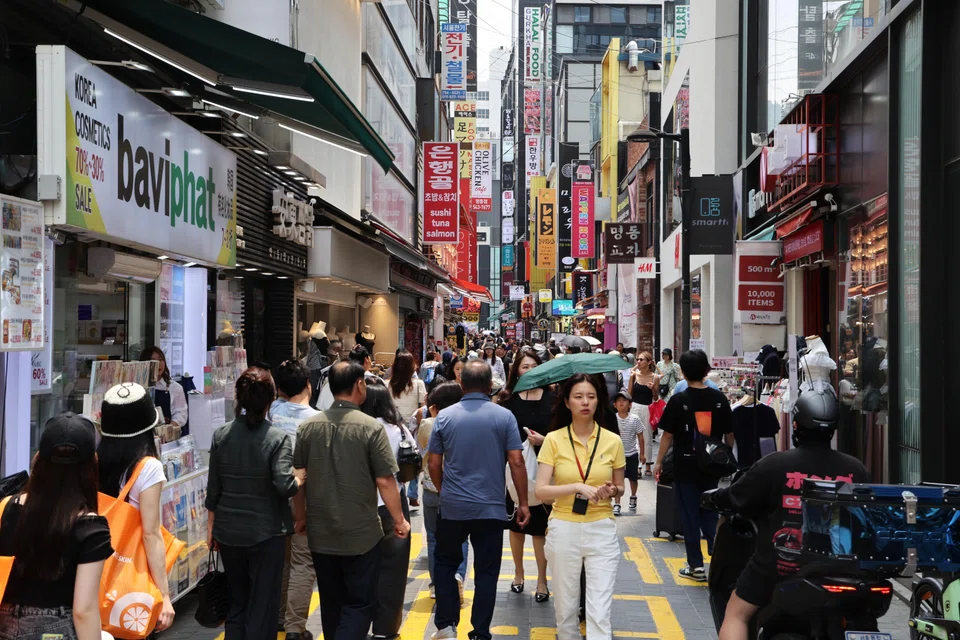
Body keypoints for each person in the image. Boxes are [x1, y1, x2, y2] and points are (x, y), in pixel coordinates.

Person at [712, 390, 870, 640]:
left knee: (736, 614)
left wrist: (711, 497)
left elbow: (735, 496)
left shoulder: (775, 465)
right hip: (846, 568)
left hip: (781, 565)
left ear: (795, 425)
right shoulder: (856, 469)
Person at [294, 361, 410, 640]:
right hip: (361, 534)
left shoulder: (308, 427)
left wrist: (300, 517)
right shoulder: (370, 428)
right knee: (360, 603)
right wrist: (399, 520)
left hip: (321, 532)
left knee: (332, 603)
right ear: (359, 385)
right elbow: (385, 480)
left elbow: (299, 479)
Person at [428, 361, 530, 640]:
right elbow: (517, 461)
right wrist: (522, 502)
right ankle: (480, 631)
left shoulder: (445, 417)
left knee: (446, 564)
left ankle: (447, 625)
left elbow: (434, 463)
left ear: (461, 386)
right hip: (491, 508)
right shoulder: (504, 417)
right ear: (489, 387)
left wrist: (442, 490)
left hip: (452, 507)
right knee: (486, 572)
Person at [205, 368, 300, 639]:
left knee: (237, 602)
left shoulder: (221, 435)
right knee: (262, 606)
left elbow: (214, 490)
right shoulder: (277, 438)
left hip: (229, 532)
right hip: (266, 534)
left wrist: (211, 529)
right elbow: (284, 485)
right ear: (271, 399)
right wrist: (299, 479)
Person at [0, 413, 112, 640]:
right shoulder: (91, 528)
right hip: (56, 630)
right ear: (93, 464)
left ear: (38, 460)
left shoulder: (6, 507)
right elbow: (84, 611)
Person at [535, 374, 626, 640]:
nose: (585, 402)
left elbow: (620, 488)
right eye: (578, 396)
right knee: (565, 610)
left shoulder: (612, 441)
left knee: (600, 612)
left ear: (599, 401)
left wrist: (612, 491)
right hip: (564, 528)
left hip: (602, 529)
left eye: (591, 396)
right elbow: (541, 491)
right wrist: (575, 487)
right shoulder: (553, 440)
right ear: (566, 402)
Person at [98, 382, 176, 632]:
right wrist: (164, 595)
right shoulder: (148, 467)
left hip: (92, 569)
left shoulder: (95, 460)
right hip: (130, 576)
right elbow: (150, 533)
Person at [653, 350, 735, 582]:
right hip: (712, 465)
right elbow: (730, 434)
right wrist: (726, 456)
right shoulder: (720, 399)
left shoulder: (679, 400)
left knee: (690, 514)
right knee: (709, 511)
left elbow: (667, 435)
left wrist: (658, 462)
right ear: (707, 371)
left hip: (685, 465)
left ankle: (696, 566)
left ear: (682, 373)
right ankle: (720, 561)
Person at [498, 349, 555, 601]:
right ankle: (518, 573)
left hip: (544, 470)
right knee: (516, 525)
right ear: (516, 370)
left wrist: (544, 440)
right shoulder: (507, 399)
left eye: (533, 366)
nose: (529, 371)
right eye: (524, 367)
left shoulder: (554, 399)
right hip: (514, 472)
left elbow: (561, 434)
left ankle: (542, 580)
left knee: (541, 529)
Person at [360, 382, 416, 639]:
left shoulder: (357, 428)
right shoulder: (399, 429)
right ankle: (385, 629)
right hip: (393, 505)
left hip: (359, 506)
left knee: (360, 568)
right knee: (392, 571)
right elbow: (413, 464)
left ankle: (357, 622)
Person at [270, 360, 320, 640]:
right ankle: (294, 627)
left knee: (282, 560)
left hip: (273, 496)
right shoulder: (315, 419)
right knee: (302, 563)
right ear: (309, 386)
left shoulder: (270, 413)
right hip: (304, 497)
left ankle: (278, 617)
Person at [418, 382, 470, 601]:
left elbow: (422, 450)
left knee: (433, 539)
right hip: (457, 490)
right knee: (461, 539)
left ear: (435, 406)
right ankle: (457, 576)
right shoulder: (465, 424)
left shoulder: (427, 424)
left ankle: (436, 584)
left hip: (431, 490)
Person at [387, 351, 427, 506]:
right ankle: (412, 493)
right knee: (413, 459)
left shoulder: (387, 385)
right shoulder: (418, 385)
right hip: (412, 429)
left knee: (395, 460)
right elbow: (421, 409)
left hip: (393, 427)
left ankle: (398, 490)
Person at [628, 351, 661, 476]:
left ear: (649, 362)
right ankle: (638, 465)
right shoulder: (633, 375)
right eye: (638, 359)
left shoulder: (655, 377)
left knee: (647, 436)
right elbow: (629, 393)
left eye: (641, 360)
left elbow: (656, 397)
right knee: (636, 437)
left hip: (648, 407)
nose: (639, 362)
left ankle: (648, 464)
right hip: (635, 407)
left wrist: (653, 389)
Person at [140, 345, 187, 431]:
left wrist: (168, 429)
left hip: (167, 438)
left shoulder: (175, 387)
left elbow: (181, 414)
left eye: (160, 359)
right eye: (153, 360)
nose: (159, 363)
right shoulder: (138, 387)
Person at [612, 391, 643, 516]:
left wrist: (642, 454)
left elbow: (640, 436)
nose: (621, 402)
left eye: (624, 400)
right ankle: (617, 503)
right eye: (618, 401)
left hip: (632, 453)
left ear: (629, 404)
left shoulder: (635, 419)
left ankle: (633, 496)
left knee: (633, 477)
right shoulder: (613, 419)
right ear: (614, 404)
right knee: (617, 479)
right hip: (617, 454)